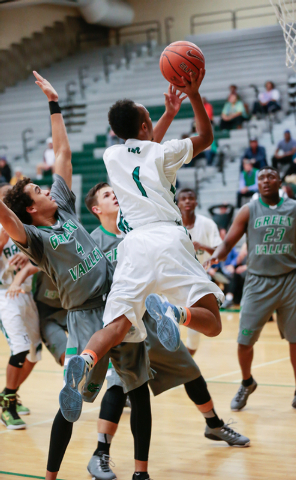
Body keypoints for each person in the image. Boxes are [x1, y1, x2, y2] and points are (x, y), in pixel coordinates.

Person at [2, 72, 158, 480]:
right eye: (38, 191)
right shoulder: (33, 237)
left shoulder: (66, 208)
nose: (47, 189)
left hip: (116, 300)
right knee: (74, 401)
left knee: (137, 390)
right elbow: (7, 216)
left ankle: (141, 472)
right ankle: (51, 475)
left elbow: (63, 154)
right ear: (31, 209)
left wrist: (55, 104)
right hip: (85, 317)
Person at [62, 72, 225, 426]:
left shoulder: (111, 156)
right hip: (168, 239)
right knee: (211, 322)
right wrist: (193, 96)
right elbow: (205, 137)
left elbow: (142, 150)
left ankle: (87, 360)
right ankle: (173, 313)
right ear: (146, 123)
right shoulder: (164, 152)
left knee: (119, 325)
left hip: (132, 247)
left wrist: (161, 117)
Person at [84, 183, 249, 479]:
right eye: (108, 195)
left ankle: (213, 425)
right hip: (123, 325)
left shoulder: (138, 230)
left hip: (154, 318)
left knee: (189, 369)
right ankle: (100, 453)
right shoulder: (95, 242)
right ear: (97, 209)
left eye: (116, 191)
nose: (117, 196)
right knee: (118, 385)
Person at [211, 166, 296, 414]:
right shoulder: (248, 210)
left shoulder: (294, 207)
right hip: (258, 281)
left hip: (291, 280)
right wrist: (217, 255)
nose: (265, 181)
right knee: (244, 341)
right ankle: (247, 382)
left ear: (279, 181)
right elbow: (228, 241)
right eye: (261, 178)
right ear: (256, 184)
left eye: (270, 176)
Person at [0, 182, 41, 430]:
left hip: (27, 294)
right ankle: (8, 403)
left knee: (34, 354)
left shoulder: (28, 227)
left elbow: (43, 261)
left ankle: (10, 393)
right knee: (21, 348)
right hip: (5, 295)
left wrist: (28, 255)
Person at [177, 188, 222, 355]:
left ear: (196, 202)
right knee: (169, 329)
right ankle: (172, 366)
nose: (187, 201)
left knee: (194, 336)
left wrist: (202, 246)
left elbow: (219, 255)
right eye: (184, 199)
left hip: (198, 282)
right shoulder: (172, 224)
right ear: (178, 203)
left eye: (191, 198)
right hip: (173, 281)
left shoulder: (208, 224)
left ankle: (184, 366)